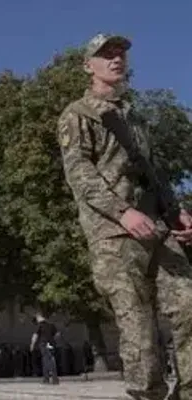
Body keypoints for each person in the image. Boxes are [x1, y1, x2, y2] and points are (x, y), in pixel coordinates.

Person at [57, 33, 192, 400]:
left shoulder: (135, 117)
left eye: (120, 53)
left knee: (188, 305)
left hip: (158, 226)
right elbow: (80, 175)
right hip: (115, 233)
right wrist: (123, 212)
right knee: (138, 324)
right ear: (88, 65)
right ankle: (146, 394)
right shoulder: (78, 115)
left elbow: (153, 171)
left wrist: (177, 210)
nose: (116, 59)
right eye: (105, 54)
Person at [29, 313, 59, 385]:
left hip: (44, 344)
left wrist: (32, 345)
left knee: (45, 360)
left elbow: (35, 335)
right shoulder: (51, 324)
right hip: (51, 344)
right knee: (51, 358)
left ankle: (47, 379)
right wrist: (53, 340)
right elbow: (57, 334)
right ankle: (53, 378)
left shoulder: (39, 325)